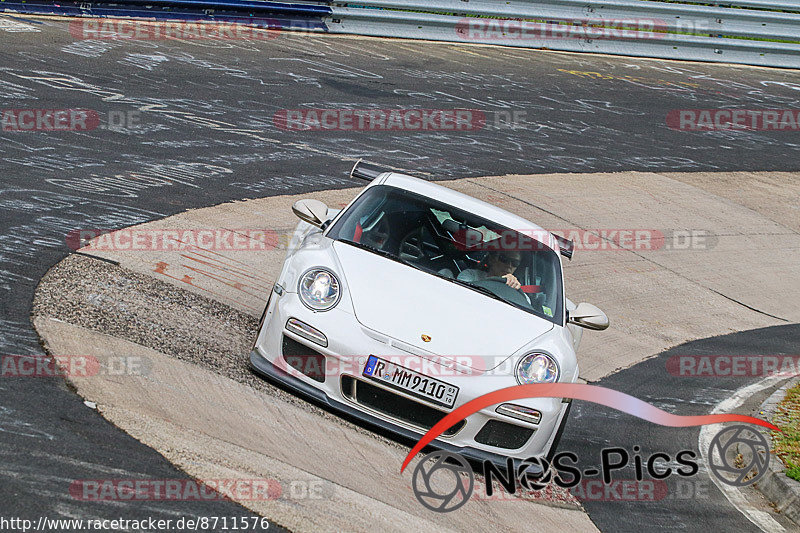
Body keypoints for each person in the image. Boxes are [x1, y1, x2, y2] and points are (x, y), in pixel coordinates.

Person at [457, 250, 522, 289]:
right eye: (504, 259)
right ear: (492, 259)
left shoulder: (517, 292)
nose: (509, 265)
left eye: (515, 263)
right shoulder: (470, 275)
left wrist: (512, 288)